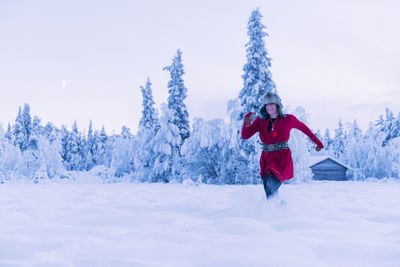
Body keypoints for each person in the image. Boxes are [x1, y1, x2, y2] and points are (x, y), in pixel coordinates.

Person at [241, 92, 324, 199]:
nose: (269, 107)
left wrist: (318, 143)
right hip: (266, 158)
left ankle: (274, 209)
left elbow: (306, 130)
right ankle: (277, 208)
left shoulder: (289, 119)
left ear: (277, 105)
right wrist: (247, 121)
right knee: (268, 186)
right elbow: (245, 135)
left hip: (282, 158)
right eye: (267, 104)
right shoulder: (260, 121)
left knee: (271, 185)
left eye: (272, 104)